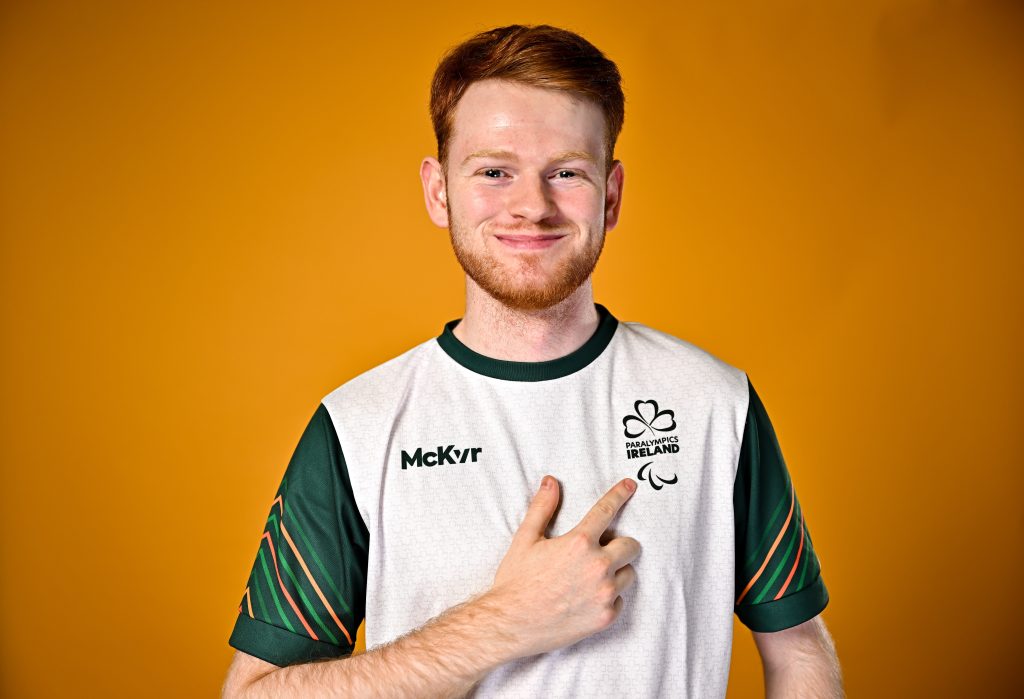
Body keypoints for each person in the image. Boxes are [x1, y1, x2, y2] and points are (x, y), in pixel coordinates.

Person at [222, 24, 843, 698]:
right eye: (494, 171)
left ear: (610, 194)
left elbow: (799, 651)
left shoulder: (714, 403)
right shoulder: (358, 428)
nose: (532, 206)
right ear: (439, 191)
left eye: (567, 173)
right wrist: (503, 622)